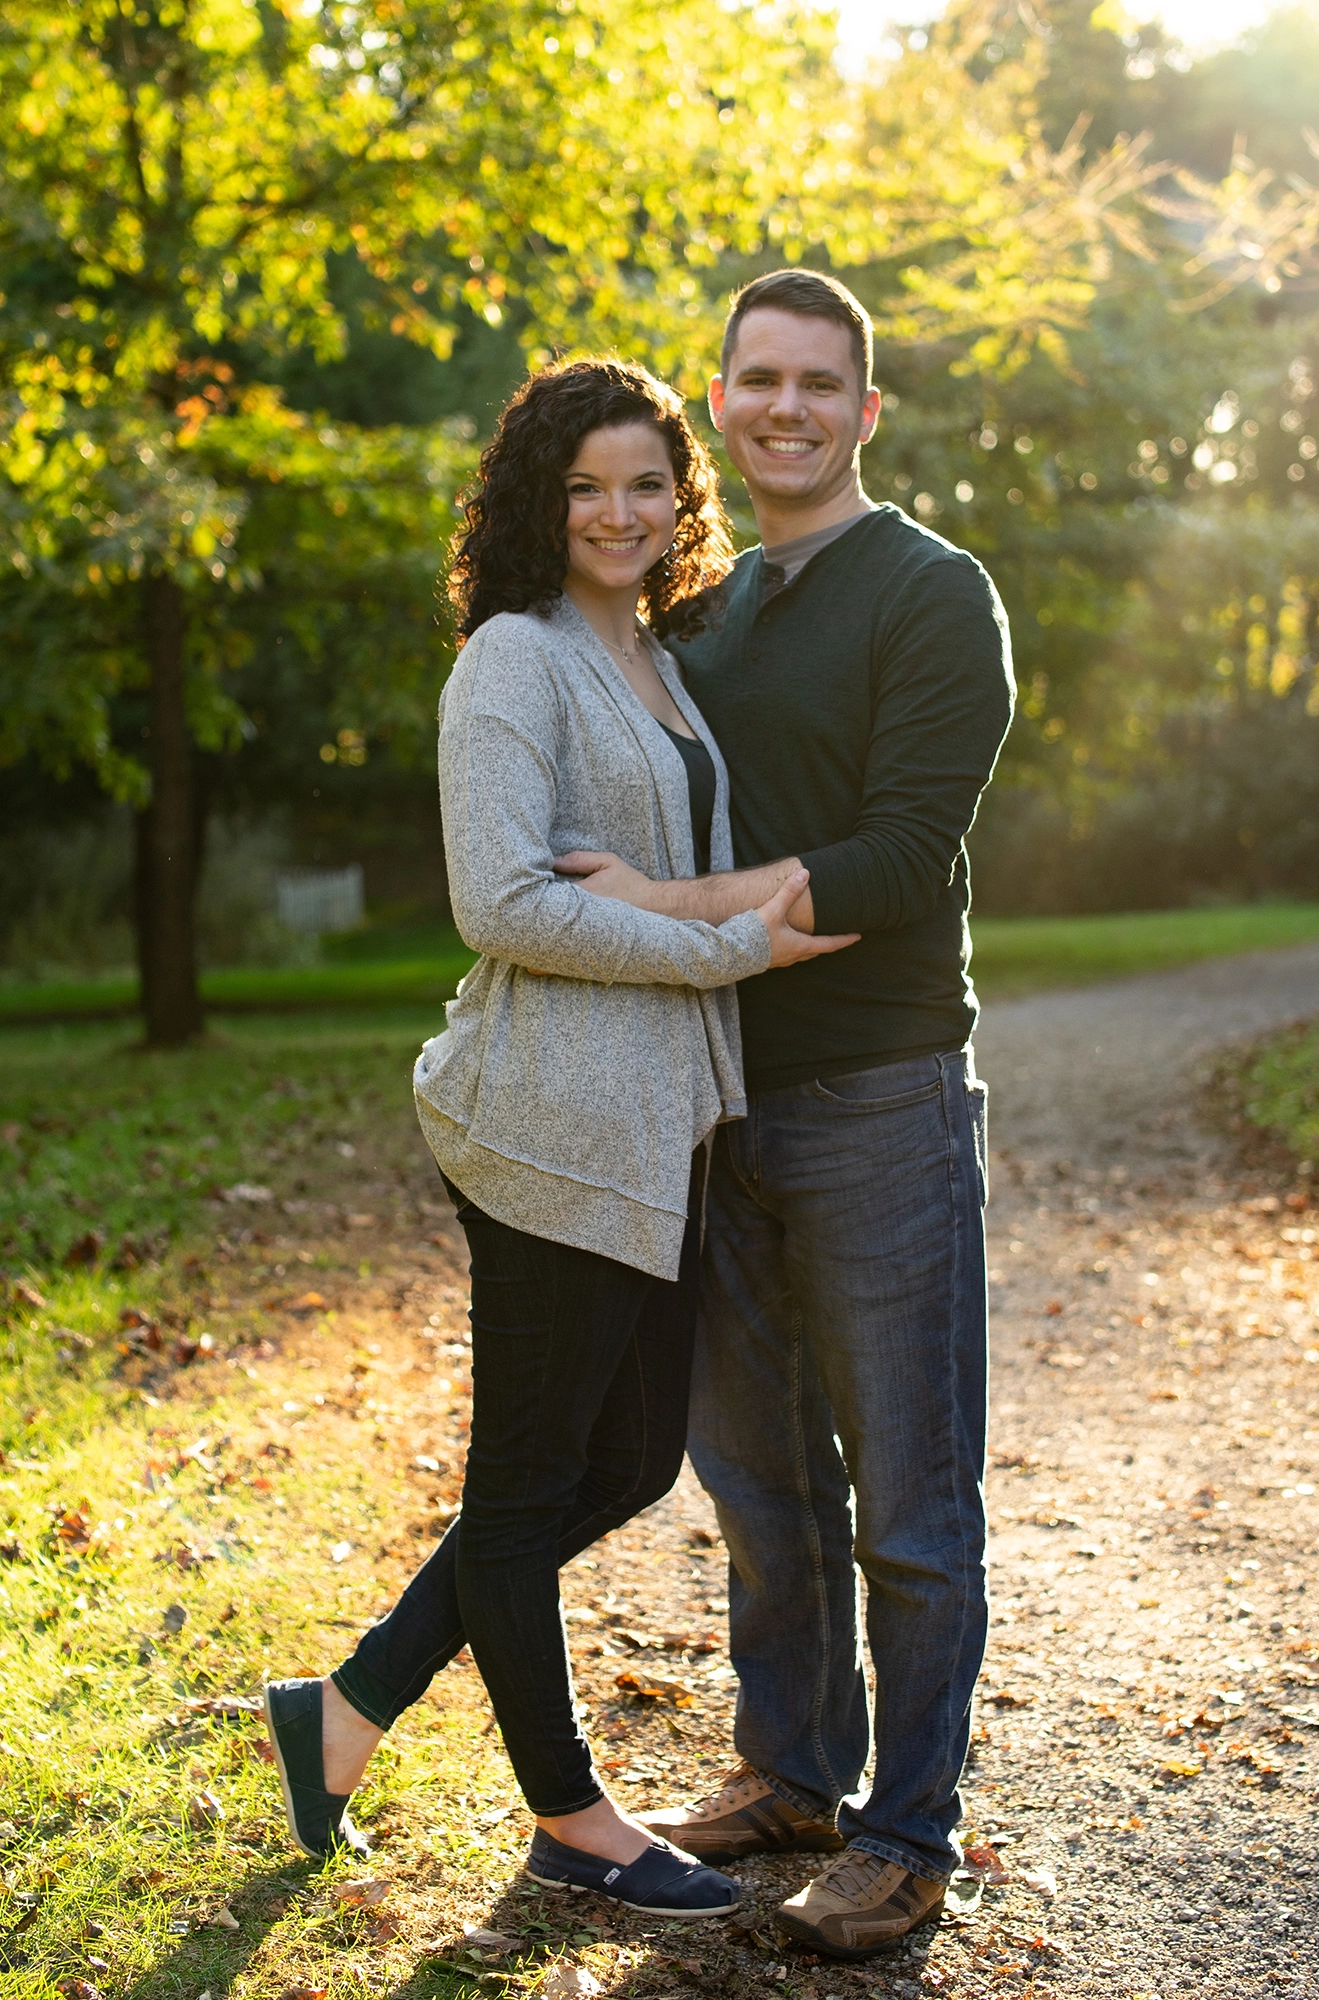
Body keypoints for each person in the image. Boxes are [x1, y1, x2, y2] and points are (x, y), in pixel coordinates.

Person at [262, 358, 854, 1920]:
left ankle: (345, 1708)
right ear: (539, 495)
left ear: (681, 499)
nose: (617, 512)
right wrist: (730, 949)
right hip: (547, 1124)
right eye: (586, 486)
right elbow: (503, 902)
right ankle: (573, 1820)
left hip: (659, 1128)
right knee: (532, 1486)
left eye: (645, 484)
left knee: (625, 1460)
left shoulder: (659, 655)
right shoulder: (511, 663)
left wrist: (693, 913)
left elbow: (642, 880)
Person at [554, 271, 1016, 1958]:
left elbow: (903, 860)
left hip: (878, 1095)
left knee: (907, 1491)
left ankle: (908, 1831)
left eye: (822, 382)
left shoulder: (934, 594)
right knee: (758, 1476)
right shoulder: (705, 607)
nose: (788, 407)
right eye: (759, 379)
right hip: (715, 1098)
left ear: (866, 411)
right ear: (724, 400)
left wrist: (681, 913)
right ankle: (794, 1773)